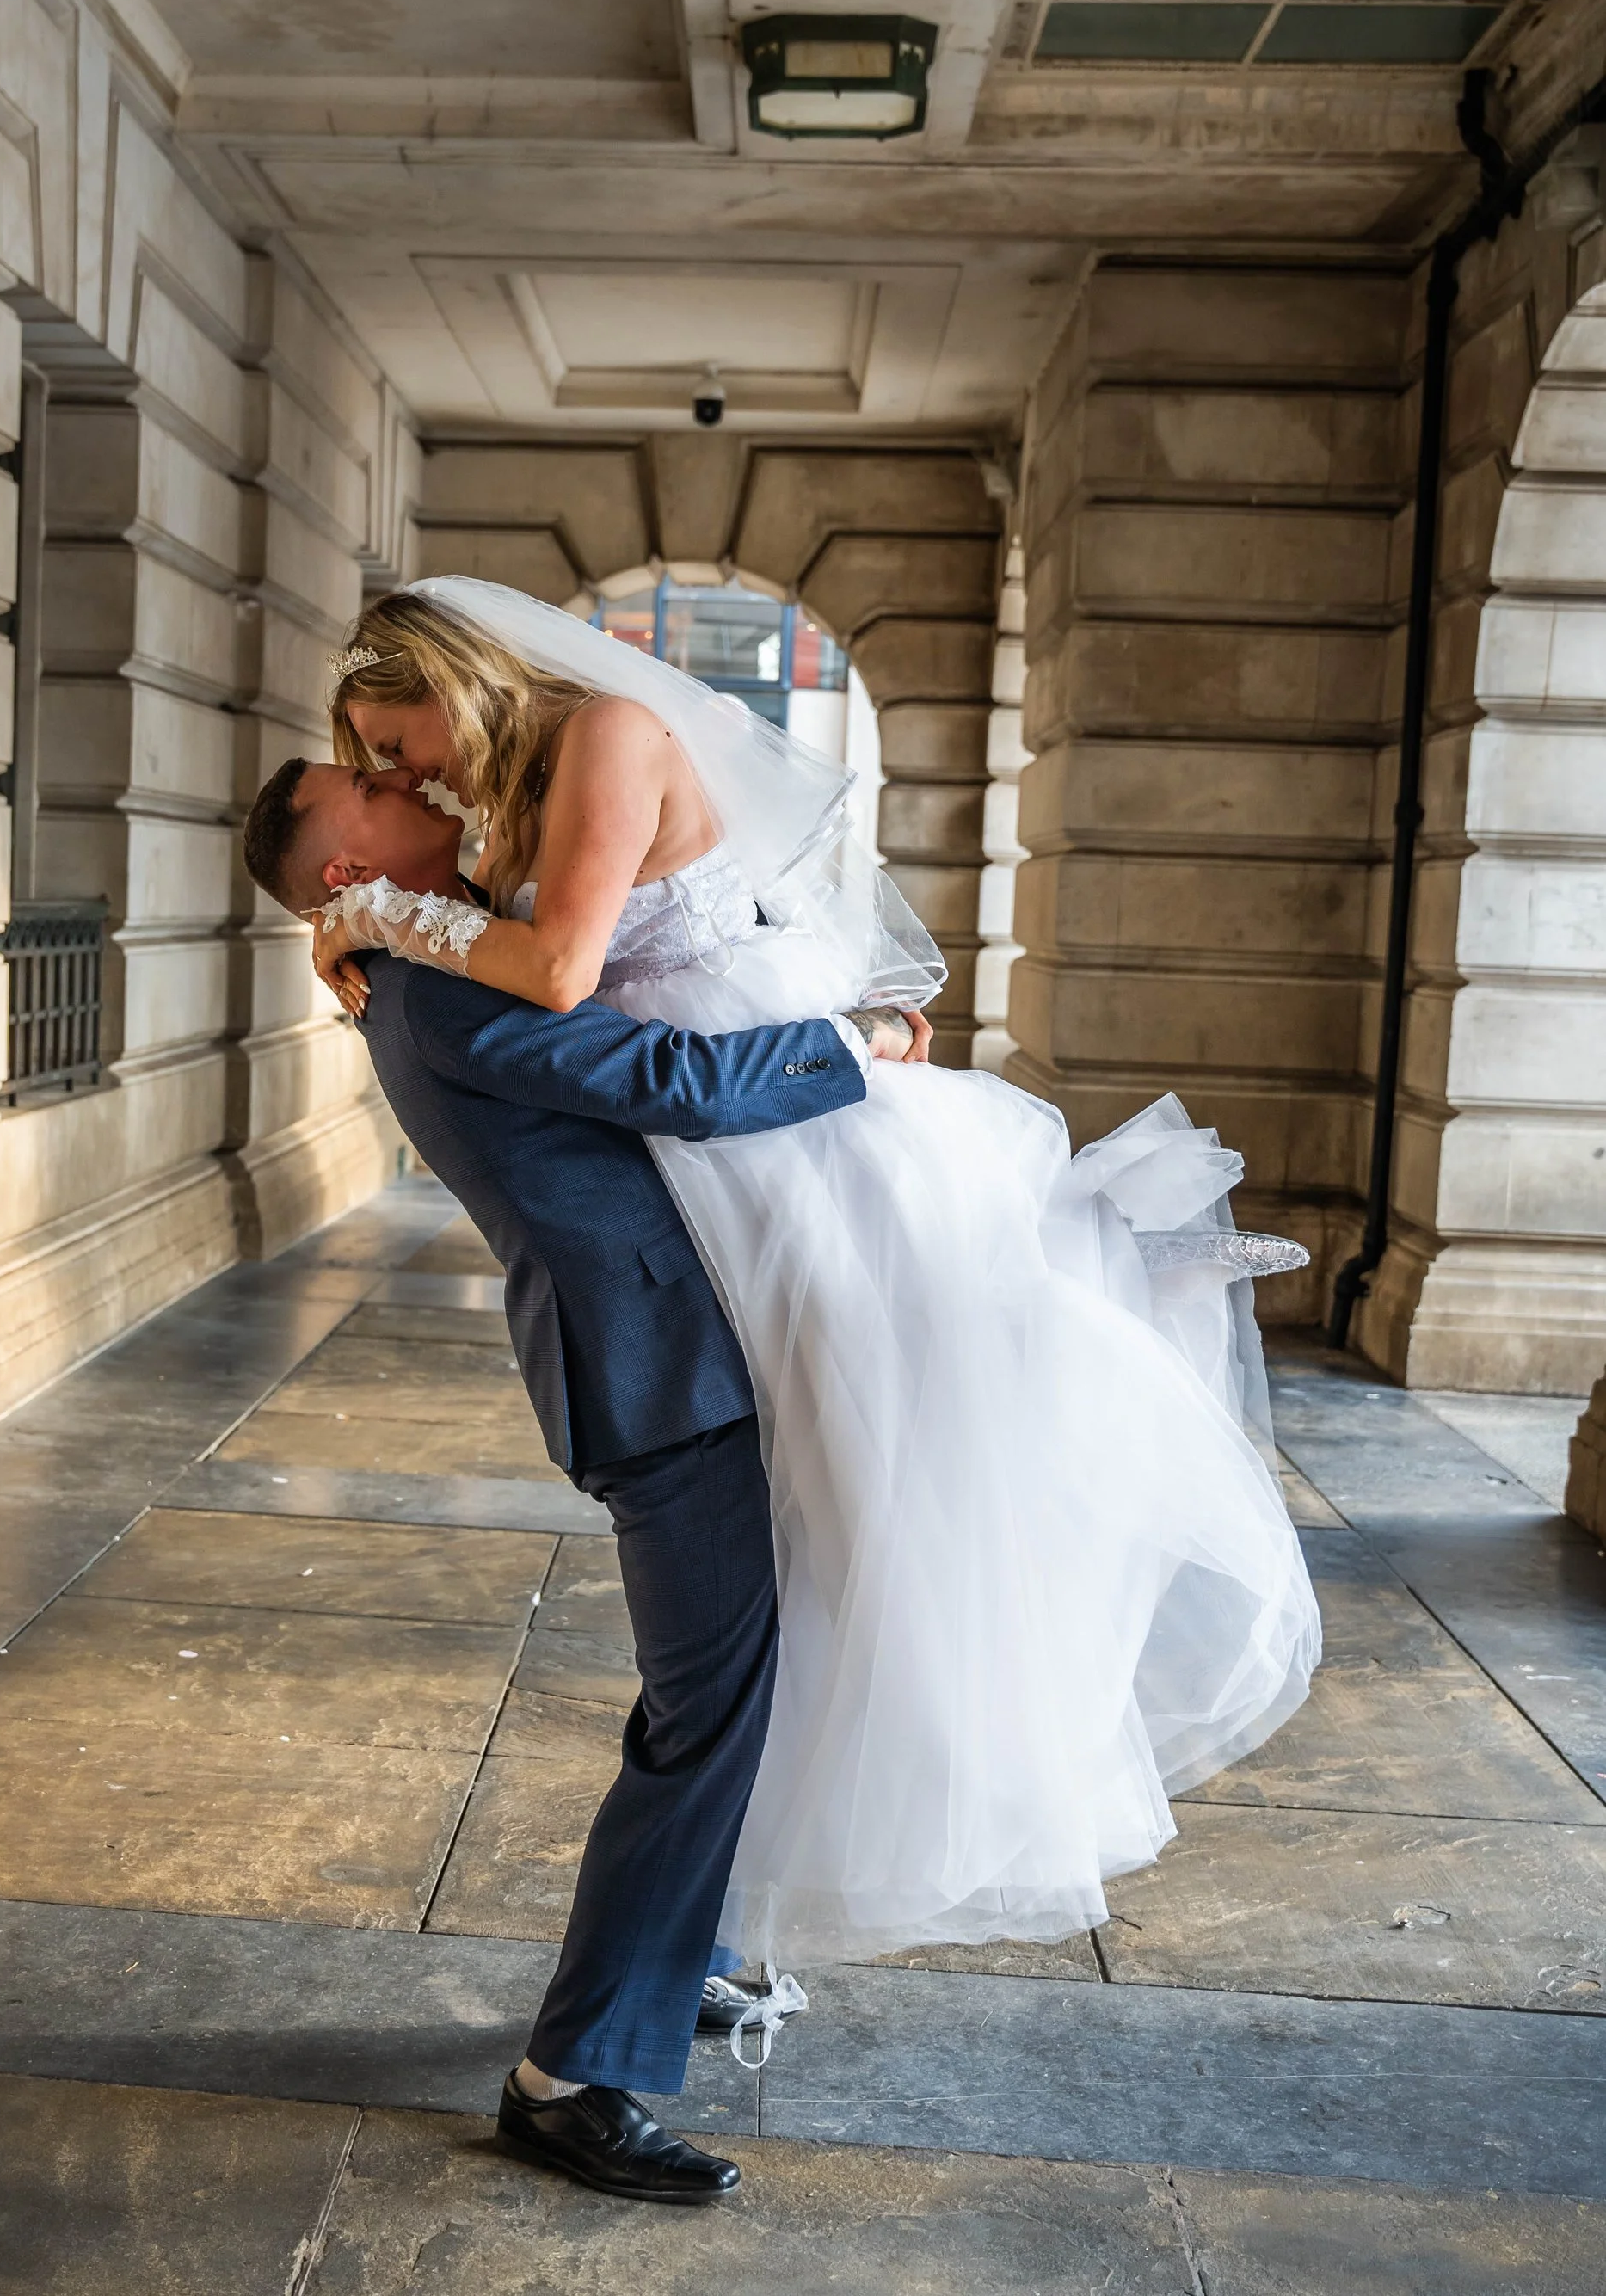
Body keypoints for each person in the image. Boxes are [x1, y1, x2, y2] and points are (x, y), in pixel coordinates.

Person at [298, 580, 1320, 1990]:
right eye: (372, 773)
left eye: (391, 743)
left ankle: (1110, 1270)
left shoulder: (600, 736)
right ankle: (688, 1948)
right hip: (706, 1161)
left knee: (925, 1392)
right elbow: (543, 984)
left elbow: (564, 972)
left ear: (447, 674)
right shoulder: (484, 841)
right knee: (822, 1537)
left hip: (764, 1116)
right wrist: (371, 909)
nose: (400, 774)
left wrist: (378, 914)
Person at [242, 748, 918, 2203]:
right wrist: (857, 1047)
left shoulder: (439, 957)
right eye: (356, 780)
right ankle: (570, 2078)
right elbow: (662, 1078)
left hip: (677, 1351)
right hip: (656, 1370)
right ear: (348, 865)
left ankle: (687, 1958)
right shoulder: (437, 989)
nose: (389, 772)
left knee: (724, 1683)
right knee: (706, 1710)